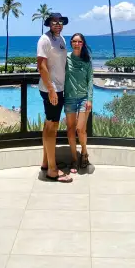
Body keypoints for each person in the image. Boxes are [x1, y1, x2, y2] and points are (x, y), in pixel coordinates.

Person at [36, 12, 72, 182]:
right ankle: (52, 170)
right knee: (53, 127)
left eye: (60, 22)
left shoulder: (62, 40)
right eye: (54, 22)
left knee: (49, 124)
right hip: (51, 89)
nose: (57, 24)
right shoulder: (45, 40)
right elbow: (41, 66)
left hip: (59, 87)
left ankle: (46, 162)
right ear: (49, 23)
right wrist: (51, 89)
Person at [65, 33, 93, 171]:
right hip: (69, 98)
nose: (77, 44)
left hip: (83, 99)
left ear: (83, 43)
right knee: (70, 130)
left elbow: (90, 81)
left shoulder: (87, 60)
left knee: (80, 129)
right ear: (71, 43)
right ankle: (74, 159)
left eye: (79, 41)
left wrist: (90, 99)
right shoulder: (66, 58)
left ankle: (84, 152)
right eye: (74, 41)